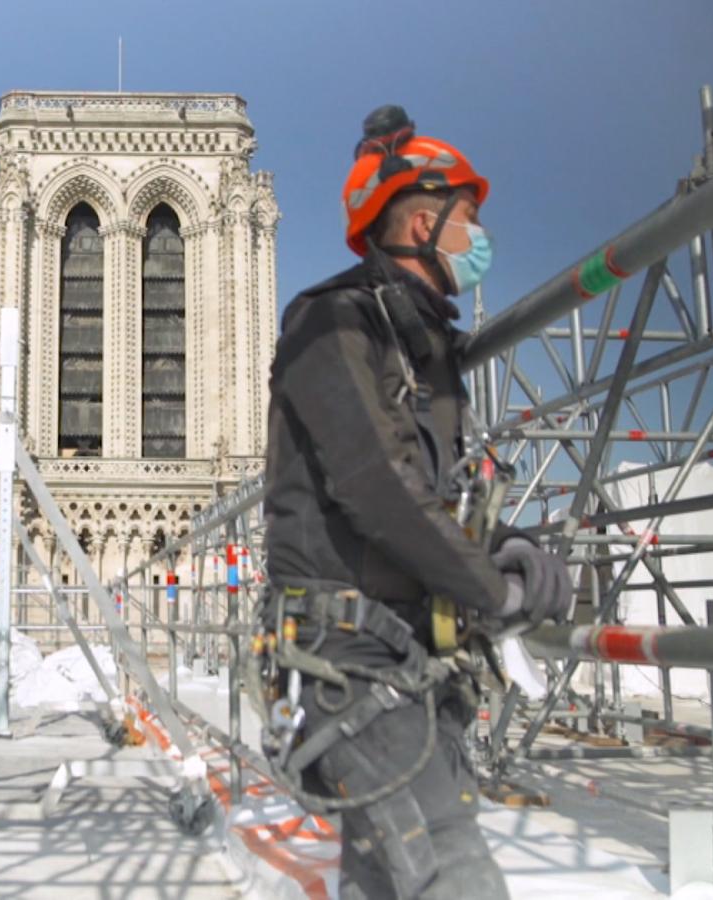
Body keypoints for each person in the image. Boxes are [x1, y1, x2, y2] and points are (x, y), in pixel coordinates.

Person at [260, 105, 574, 899]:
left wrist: (505, 547)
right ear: (427, 221)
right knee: (447, 868)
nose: (480, 237)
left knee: (381, 875)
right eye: (470, 219)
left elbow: (433, 493)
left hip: (400, 658)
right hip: (350, 659)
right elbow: (377, 484)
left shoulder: (421, 349)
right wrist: (490, 590)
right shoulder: (332, 322)